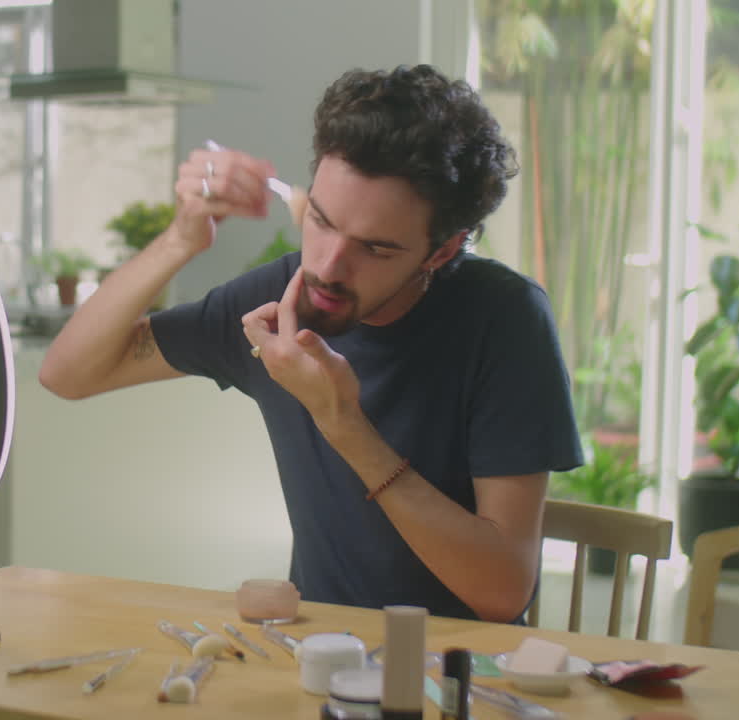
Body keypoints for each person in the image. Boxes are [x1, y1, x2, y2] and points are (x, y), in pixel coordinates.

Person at [39, 64, 583, 623]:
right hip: (318, 658)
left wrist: (342, 422)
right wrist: (180, 239)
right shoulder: (283, 299)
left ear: (441, 251)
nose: (326, 266)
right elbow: (68, 373)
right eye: (320, 221)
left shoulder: (505, 319)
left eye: (375, 248)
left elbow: (502, 593)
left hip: (459, 673)